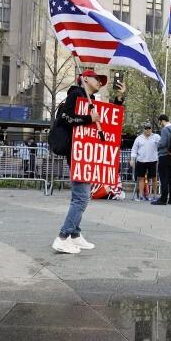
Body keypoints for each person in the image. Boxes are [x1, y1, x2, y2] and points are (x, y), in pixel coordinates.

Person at [52, 69, 126, 254]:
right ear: (85, 78)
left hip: (84, 154)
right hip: (77, 153)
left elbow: (108, 118)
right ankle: (63, 237)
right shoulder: (76, 94)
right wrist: (87, 119)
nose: (100, 82)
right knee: (81, 197)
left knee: (82, 195)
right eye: (97, 79)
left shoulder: (90, 100)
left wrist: (118, 99)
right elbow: (65, 118)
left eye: (102, 80)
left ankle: (75, 235)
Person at [152, 114, 171, 206]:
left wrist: (157, 143)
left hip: (164, 155)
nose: (160, 124)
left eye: (160, 122)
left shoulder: (165, 130)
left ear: (162, 120)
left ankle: (163, 199)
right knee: (170, 178)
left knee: (163, 178)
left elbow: (163, 143)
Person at [131, 123, 160, 201]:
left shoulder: (156, 137)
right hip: (141, 160)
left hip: (152, 160)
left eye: (149, 128)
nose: (148, 130)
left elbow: (161, 144)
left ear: (151, 129)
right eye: (146, 129)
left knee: (154, 178)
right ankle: (141, 195)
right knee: (141, 178)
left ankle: (155, 195)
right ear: (144, 129)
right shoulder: (139, 138)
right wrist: (132, 159)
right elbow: (134, 149)